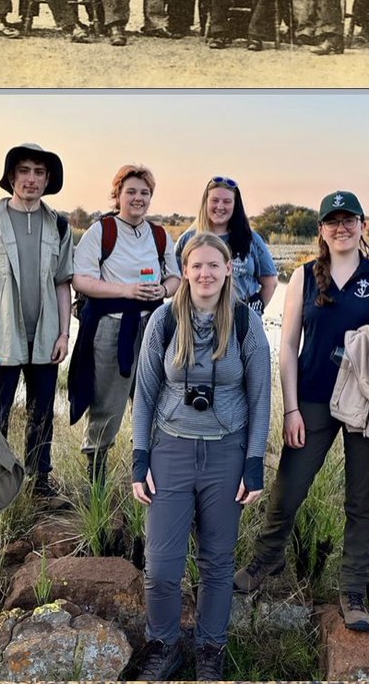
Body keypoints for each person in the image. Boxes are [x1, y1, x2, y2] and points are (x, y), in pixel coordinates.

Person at [234, 190, 369, 635]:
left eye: (349, 220)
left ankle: (353, 588)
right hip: (313, 397)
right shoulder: (303, 278)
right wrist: (291, 409)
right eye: (332, 221)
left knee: (362, 497)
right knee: (287, 488)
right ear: (321, 230)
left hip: (366, 400)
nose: (341, 228)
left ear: (362, 226)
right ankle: (266, 560)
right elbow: (288, 348)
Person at [132, 234, 272, 681]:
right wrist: (140, 458)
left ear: (229, 269)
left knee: (218, 561)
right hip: (170, 449)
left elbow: (261, 396)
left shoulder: (247, 324)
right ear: (185, 270)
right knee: (161, 566)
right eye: (197, 266)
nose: (206, 274)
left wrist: (254, 464)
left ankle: (211, 648)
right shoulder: (163, 320)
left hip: (226, 454)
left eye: (215, 265)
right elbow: (145, 393)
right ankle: (164, 645)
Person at [0, 142, 73, 499]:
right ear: (11, 177)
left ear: (48, 179)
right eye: (24, 171)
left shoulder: (60, 225)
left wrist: (64, 335)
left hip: (45, 338)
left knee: (42, 414)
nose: (31, 179)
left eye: (39, 172)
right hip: (0, 341)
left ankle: (39, 482)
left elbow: (63, 283)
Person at [70, 164, 181, 483]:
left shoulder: (159, 235)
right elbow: (81, 280)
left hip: (152, 326)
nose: (138, 198)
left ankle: (146, 472)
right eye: (131, 191)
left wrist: (162, 290)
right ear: (117, 194)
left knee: (153, 397)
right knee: (107, 400)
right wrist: (125, 290)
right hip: (111, 326)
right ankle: (96, 482)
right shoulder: (101, 231)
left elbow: (175, 278)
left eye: (144, 193)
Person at [176, 177, 278, 312]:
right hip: (199, 321)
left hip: (241, 321)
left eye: (227, 202)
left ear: (235, 205)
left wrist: (253, 314)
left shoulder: (251, 239)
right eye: (215, 200)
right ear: (205, 203)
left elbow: (270, 283)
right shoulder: (188, 240)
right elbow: (176, 284)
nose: (220, 206)